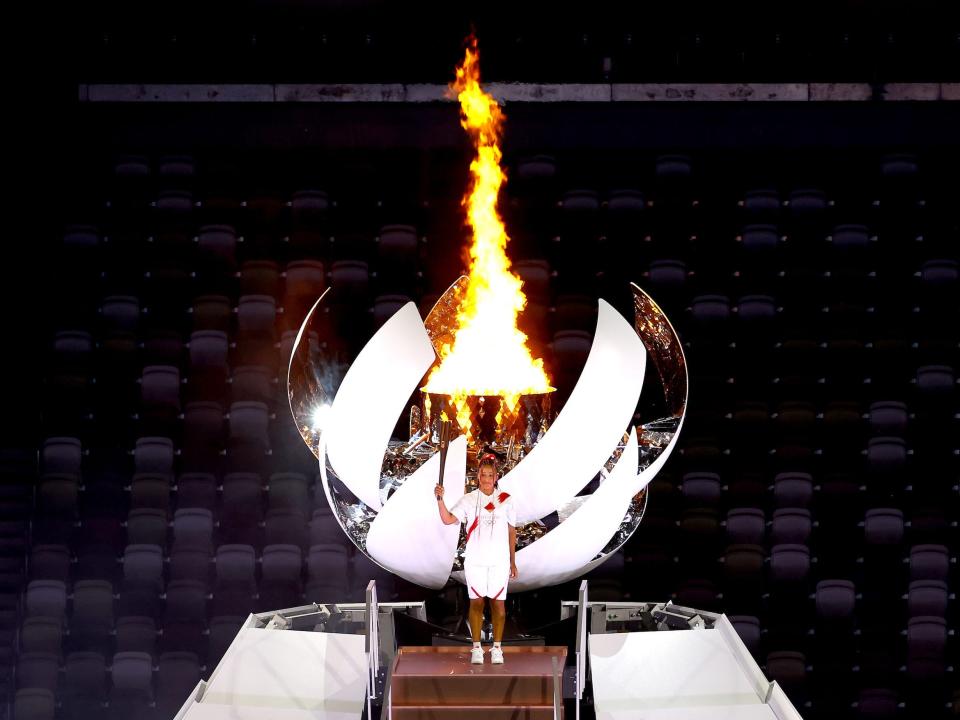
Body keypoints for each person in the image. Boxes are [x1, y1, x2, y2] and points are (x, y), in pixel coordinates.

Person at [435, 453, 518, 664]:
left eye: (490, 475)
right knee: (477, 603)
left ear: (496, 476)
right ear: (478, 476)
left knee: (499, 606)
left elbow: (511, 532)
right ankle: (477, 648)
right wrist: (439, 499)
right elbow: (447, 520)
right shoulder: (469, 500)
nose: (487, 479)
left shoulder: (505, 500)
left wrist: (512, 561)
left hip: (499, 561)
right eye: (483, 474)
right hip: (476, 560)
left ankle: (497, 648)